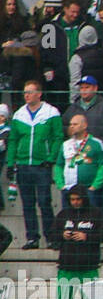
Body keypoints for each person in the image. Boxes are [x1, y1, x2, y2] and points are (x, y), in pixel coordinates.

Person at [8, 80, 62, 250]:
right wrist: (11, 163)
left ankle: (51, 237)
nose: (26, 95)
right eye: (25, 92)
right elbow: (13, 140)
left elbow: (57, 137)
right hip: (23, 164)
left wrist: (51, 158)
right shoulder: (18, 114)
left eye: (30, 92)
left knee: (45, 201)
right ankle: (32, 237)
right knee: (27, 203)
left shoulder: (51, 112)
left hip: (42, 165)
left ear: (39, 94)